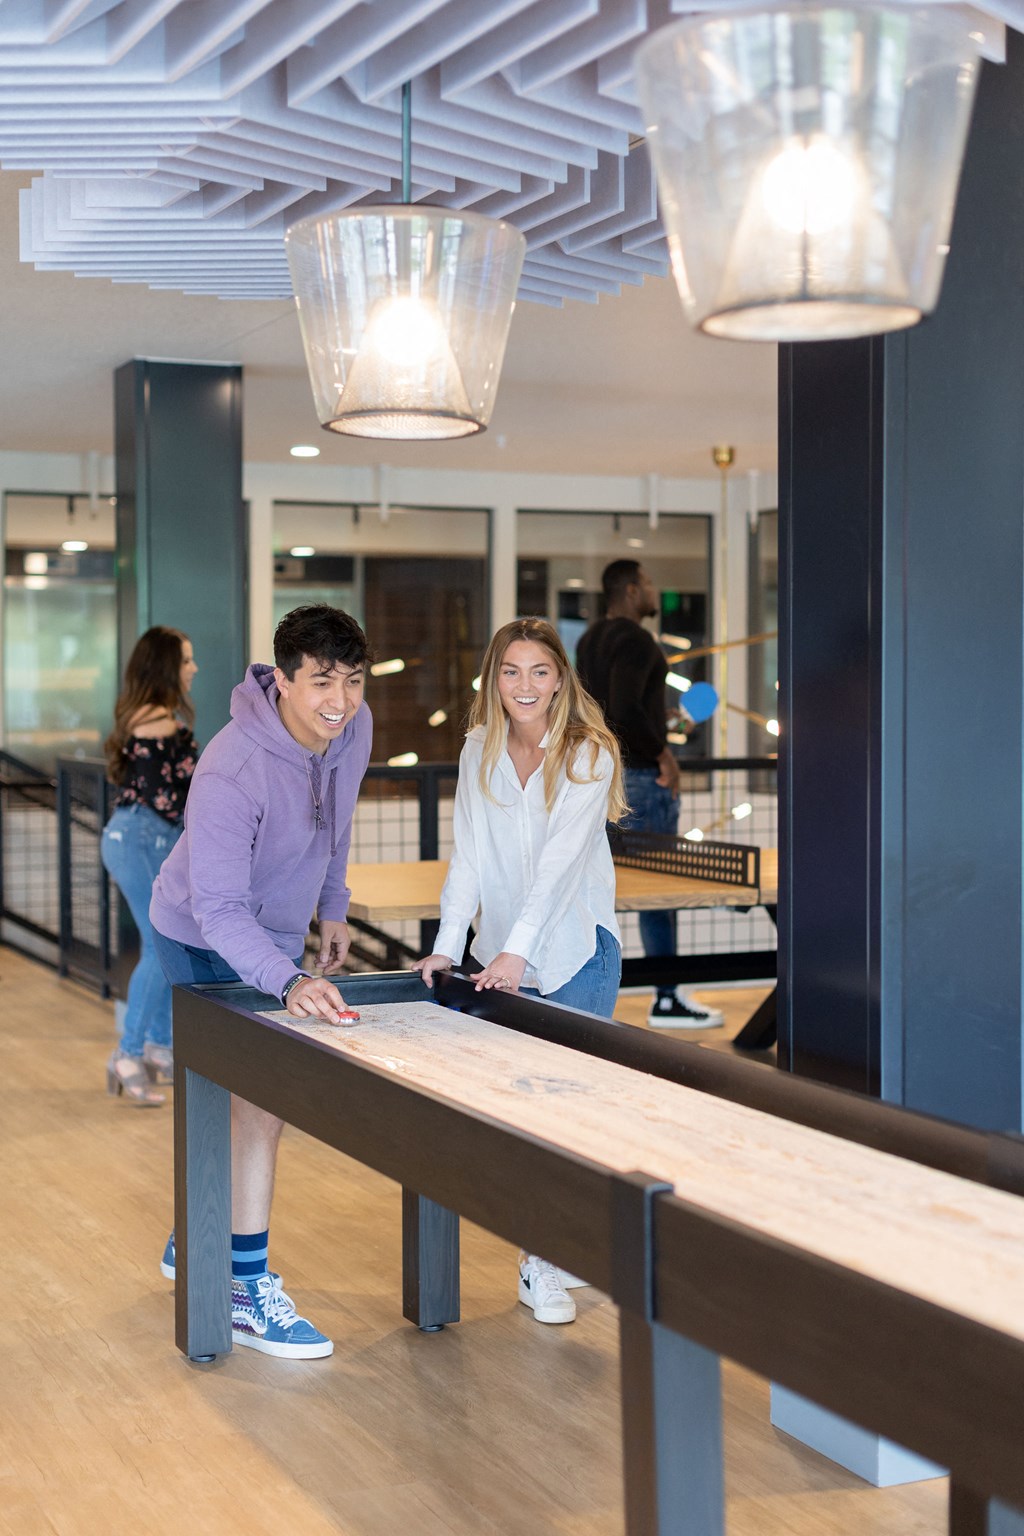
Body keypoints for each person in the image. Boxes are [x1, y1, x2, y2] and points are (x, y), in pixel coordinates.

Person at [149, 604, 372, 1361]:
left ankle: (198, 1236)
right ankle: (244, 1290)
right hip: (198, 930)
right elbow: (216, 908)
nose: (337, 700)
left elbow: (337, 818)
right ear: (282, 679)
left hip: (274, 936)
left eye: (350, 679)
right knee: (257, 1101)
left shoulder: (354, 727)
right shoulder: (231, 766)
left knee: (244, 1103)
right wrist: (288, 980)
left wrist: (333, 905)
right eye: (319, 682)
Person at [416, 617, 626, 1327]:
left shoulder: (589, 754)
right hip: (499, 957)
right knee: (523, 1114)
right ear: (492, 679)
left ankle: (544, 1261)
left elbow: (562, 870)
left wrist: (519, 951)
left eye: (539, 671)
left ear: (561, 679)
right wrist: (448, 944)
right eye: (511, 671)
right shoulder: (479, 748)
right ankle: (549, 1246)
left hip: (574, 953)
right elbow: (469, 858)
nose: (525, 685)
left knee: (570, 1114)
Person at [576, 559, 724, 1028]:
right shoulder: (638, 640)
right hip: (639, 778)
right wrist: (664, 755)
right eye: (650, 583)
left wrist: (665, 725)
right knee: (660, 889)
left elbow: (611, 709)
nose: (655, 590)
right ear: (632, 590)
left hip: (597, 778)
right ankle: (666, 997)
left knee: (600, 888)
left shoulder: (589, 639)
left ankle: (587, 988)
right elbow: (623, 710)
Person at [101, 627, 199, 1106]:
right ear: (166, 666)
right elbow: (169, 799)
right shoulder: (159, 722)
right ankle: (129, 1051)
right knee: (160, 945)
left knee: (164, 941)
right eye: (185, 660)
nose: (193, 668)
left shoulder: (144, 716)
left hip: (131, 835)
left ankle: (158, 1045)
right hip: (143, 838)